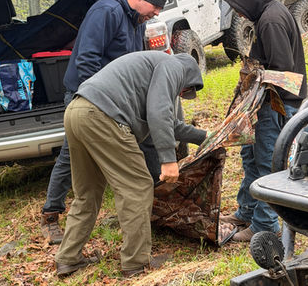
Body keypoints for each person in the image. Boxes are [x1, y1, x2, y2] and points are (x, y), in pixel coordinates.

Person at [54, 50, 207, 277]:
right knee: (137, 186)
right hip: (103, 116)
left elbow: (168, 122)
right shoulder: (173, 65)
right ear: (189, 75)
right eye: (185, 91)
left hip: (77, 111)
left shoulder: (152, 67)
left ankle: (67, 258)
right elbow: (159, 112)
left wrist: (205, 137)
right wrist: (168, 159)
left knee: (87, 193)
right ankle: (136, 262)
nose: (181, 94)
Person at [40, 0, 167, 245]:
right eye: (155, 6)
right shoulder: (106, 12)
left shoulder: (135, 20)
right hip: (90, 98)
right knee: (72, 154)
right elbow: (87, 59)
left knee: (147, 138)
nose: (157, 13)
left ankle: (160, 205)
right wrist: (97, 102)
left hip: (121, 99)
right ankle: (50, 215)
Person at [220, 0, 307, 242]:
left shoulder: (271, 20)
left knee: (267, 164)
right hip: (262, 104)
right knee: (250, 156)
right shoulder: (266, 16)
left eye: (237, 6)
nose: (238, 13)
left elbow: (283, 71)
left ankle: (265, 226)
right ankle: (246, 212)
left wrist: (254, 75)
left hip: (276, 105)